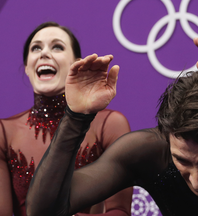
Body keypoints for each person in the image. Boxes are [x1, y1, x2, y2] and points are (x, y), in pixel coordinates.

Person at [26, 37, 198, 216]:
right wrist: (75, 117)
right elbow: (45, 210)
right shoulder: (146, 151)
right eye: (182, 161)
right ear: (166, 138)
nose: (197, 181)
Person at [0, 22, 133, 216]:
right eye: (36, 48)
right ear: (27, 68)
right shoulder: (4, 132)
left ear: (76, 64)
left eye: (57, 47)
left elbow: (119, 211)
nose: (44, 53)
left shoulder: (110, 124)